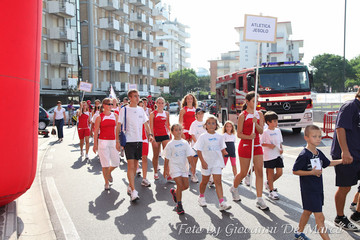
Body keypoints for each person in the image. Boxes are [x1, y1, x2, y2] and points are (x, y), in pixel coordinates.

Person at [293, 125, 343, 240]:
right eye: (314, 136)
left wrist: (342, 161)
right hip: (309, 190)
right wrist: (311, 172)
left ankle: (298, 233)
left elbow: (328, 163)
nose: (318, 139)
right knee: (320, 218)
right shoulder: (304, 154)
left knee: (307, 212)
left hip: (318, 189)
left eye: (320, 136)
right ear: (306, 138)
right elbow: (295, 171)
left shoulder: (318, 152)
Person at [229, 91, 268, 210]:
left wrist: (256, 124)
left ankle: (260, 199)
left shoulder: (260, 114)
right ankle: (234, 188)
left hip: (257, 146)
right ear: (247, 101)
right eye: (253, 100)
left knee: (259, 171)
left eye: (257, 100)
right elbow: (239, 134)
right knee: (244, 172)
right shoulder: (243, 115)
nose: (256, 102)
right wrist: (248, 137)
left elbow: (261, 132)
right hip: (245, 145)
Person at [116, 89, 154, 201]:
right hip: (128, 141)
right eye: (135, 96)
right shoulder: (124, 110)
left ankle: (130, 186)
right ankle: (133, 191)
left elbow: (146, 124)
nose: (138, 98)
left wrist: (150, 134)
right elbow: (118, 126)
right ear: (130, 98)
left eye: (138, 96)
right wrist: (117, 141)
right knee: (131, 166)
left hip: (139, 141)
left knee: (136, 164)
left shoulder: (141, 110)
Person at [332, 88, 360, 230]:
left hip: (358, 152)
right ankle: (340, 217)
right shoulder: (350, 106)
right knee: (345, 187)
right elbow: (340, 128)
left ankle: (357, 214)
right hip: (347, 154)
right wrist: (345, 151)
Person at [194, 116, 231, 211]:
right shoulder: (203, 137)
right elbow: (199, 150)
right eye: (209, 123)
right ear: (205, 125)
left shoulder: (220, 137)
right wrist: (202, 162)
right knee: (205, 181)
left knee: (218, 182)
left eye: (213, 123)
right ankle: (201, 197)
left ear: (216, 125)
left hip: (217, 163)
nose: (211, 125)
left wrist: (224, 154)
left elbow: (222, 148)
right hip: (206, 163)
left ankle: (222, 202)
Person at [163, 124, 193, 215]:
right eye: (176, 130)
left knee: (186, 186)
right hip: (174, 167)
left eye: (180, 129)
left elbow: (189, 156)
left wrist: (193, 168)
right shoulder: (170, 144)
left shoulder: (185, 143)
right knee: (179, 185)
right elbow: (167, 158)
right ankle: (179, 205)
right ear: (172, 132)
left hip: (184, 167)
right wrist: (165, 170)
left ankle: (175, 192)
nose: (178, 131)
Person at [93, 98, 119, 191]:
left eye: (111, 104)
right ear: (103, 105)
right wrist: (95, 144)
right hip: (103, 142)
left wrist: (118, 141)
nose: (110, 106)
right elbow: (95, 132)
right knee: (105, 164)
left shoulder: (115, 115)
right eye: (108, 104)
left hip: (113, 141)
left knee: (116, 162)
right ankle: (106, 183)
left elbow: (117, 130)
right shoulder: (99, 117)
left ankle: (108, 173)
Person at [261, 111, 284, 200]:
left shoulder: (278, 130)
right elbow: (261, 143)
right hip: (269, 155)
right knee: (270, 173)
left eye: (276, 121)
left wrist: (281, 148)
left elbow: (280, 142)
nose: (276, 123)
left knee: (279, 172)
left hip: (278, 155)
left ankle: (268, 183)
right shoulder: (265, 132)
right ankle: (271, 191)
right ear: (268, 122)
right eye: (274, 121)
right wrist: (268, 145)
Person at [149, 97, 171, 180]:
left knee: (167, 154)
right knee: (156, 155)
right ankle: (155, 172)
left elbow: (168, 124)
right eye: (159, 103)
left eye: (162, 103)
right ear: (156, 104)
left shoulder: (166, 113)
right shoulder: (153, 114)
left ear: (164, 104)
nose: (161, 104)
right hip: (156, 136)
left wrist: (171, 133)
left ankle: (167, 172)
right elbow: (151, 126)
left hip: (165, 135)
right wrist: (152, 136)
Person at [188, 108, 206, 183]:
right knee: (194, 162)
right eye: (199, 113)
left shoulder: (206, 123)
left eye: (202, 113)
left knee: (206, 161)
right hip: (196, 146)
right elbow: (192, 135)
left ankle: (208, 177)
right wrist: (198, 144)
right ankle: (193, 175)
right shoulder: (194, 124)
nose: (201, 115)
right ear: (196, 115)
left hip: (205, 147)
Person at [137, 100, 151, 187]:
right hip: (134, 139)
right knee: (135, 160)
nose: (142, 107)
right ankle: (137, 168)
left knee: (144, 158)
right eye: (140, 105)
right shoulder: (132, 113)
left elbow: (147, 125)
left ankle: (144, 178)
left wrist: (150, 135)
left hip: (144, 138)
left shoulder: (143, 114)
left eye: (143, 105)